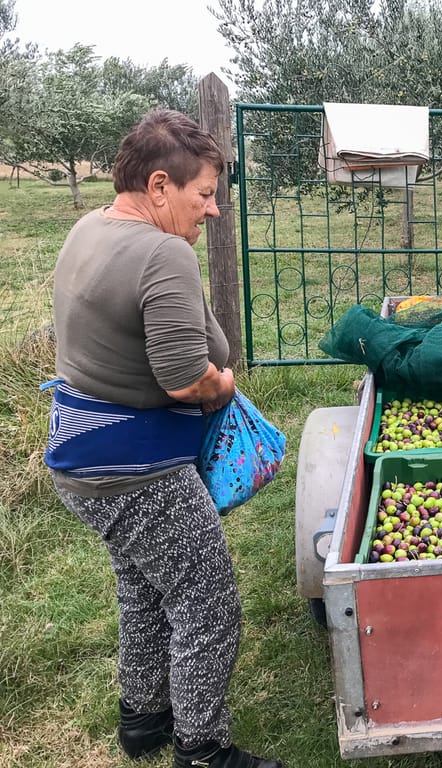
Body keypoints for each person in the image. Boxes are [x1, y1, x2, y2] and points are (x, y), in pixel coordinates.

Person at [45, 110, 283, 768]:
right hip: (137, 469)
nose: (211, 211)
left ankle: (143, 719)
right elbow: (185, 378)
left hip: (81, 454)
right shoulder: (161, 252)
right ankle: (203, 748)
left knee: (145, 588)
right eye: (204, 194)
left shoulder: (91, 227)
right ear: (158, 186)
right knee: (207, 602)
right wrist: (225, 385)